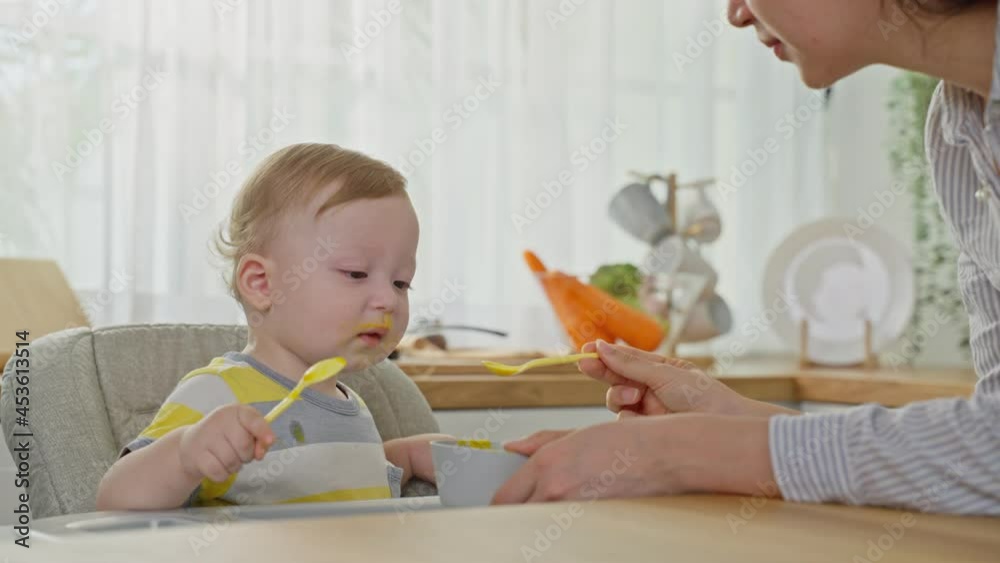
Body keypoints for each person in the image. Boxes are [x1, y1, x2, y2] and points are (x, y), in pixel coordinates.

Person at [493, 0, 1000, 515]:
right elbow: (987, 446)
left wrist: (684, 454)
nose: (735, 13)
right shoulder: (960, 127)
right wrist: (735, 422)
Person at [97, 143, 451, 510]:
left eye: (401, 283)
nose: (389, 300)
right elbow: (115, 500)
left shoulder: (352, 405)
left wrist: (406, 458)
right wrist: (185, 454)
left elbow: (343, 490)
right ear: (262, 284)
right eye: (356, 273)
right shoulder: (220, 393)